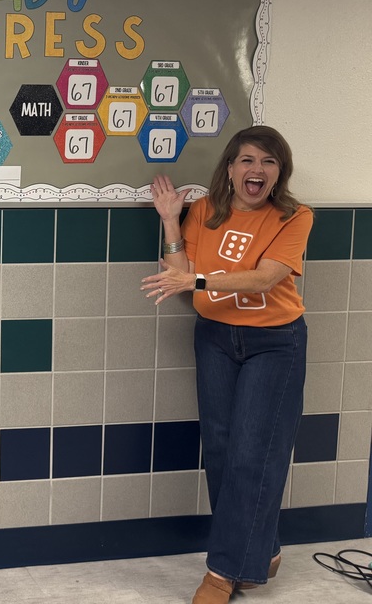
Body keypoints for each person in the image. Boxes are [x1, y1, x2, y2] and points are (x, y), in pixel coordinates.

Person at [141, 125, 313, 604]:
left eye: (269, 162)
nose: (257, 170)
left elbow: (264, 279)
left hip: (274, 342)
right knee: (219, 450)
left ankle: (221, 573)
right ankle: (261, 549)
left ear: (280, 172)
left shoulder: (294, 216)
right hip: (215, 337)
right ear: (231, 168)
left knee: (252, 453)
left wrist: (196, 280)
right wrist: (171, 221)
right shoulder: (205, 211)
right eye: (248, 160)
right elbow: (178, 276)